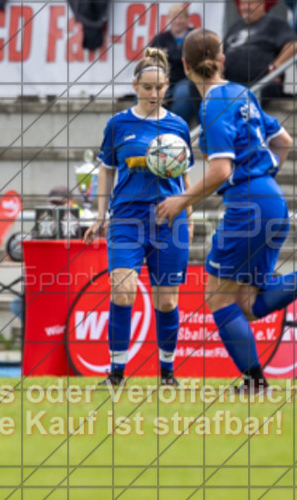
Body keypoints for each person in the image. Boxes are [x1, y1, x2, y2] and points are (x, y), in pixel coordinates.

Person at [155, 29, 297, 393]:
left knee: (218, 299)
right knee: (248, 304)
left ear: (186, 66)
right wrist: (263, 178)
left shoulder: (211, 104)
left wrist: (180, 200)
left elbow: (221, 170)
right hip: (271, 197)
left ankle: (255, 383)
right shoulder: (243, 93)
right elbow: (284, 140)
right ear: (222, 59)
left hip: (248, 204)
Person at [84, 48, 192, 387]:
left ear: (167, 88)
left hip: (168, 220)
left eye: (159, 88)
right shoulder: (118, 124)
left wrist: (187, 208)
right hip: (127, 218)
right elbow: (107, 169)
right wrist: (101, 215)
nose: (153, 94)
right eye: (146, 88)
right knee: (122, 291)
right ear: (135, 85)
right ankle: (116, 373)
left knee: (167, 300)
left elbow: (185, 177)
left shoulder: (177, 125)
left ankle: (167, 372)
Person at [222, 0, 297, 103]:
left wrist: (275, 66)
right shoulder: (235, 27)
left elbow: (294, 45)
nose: (245, 7)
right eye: (243, 3)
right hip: (231, 81)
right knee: (196, 86)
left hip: (260, 81)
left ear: (262, 4)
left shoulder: (274, 23)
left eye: (250, 3)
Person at [149, 3, 198, 125]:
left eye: (181, 17)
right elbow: (150, 62)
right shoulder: (160, 39)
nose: (178, 21)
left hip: (188, 79)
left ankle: (173, 126)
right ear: (168, 19)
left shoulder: (196, 36)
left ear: (187, 19)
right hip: (165, 79)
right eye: (175, 17)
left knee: (184, 92)